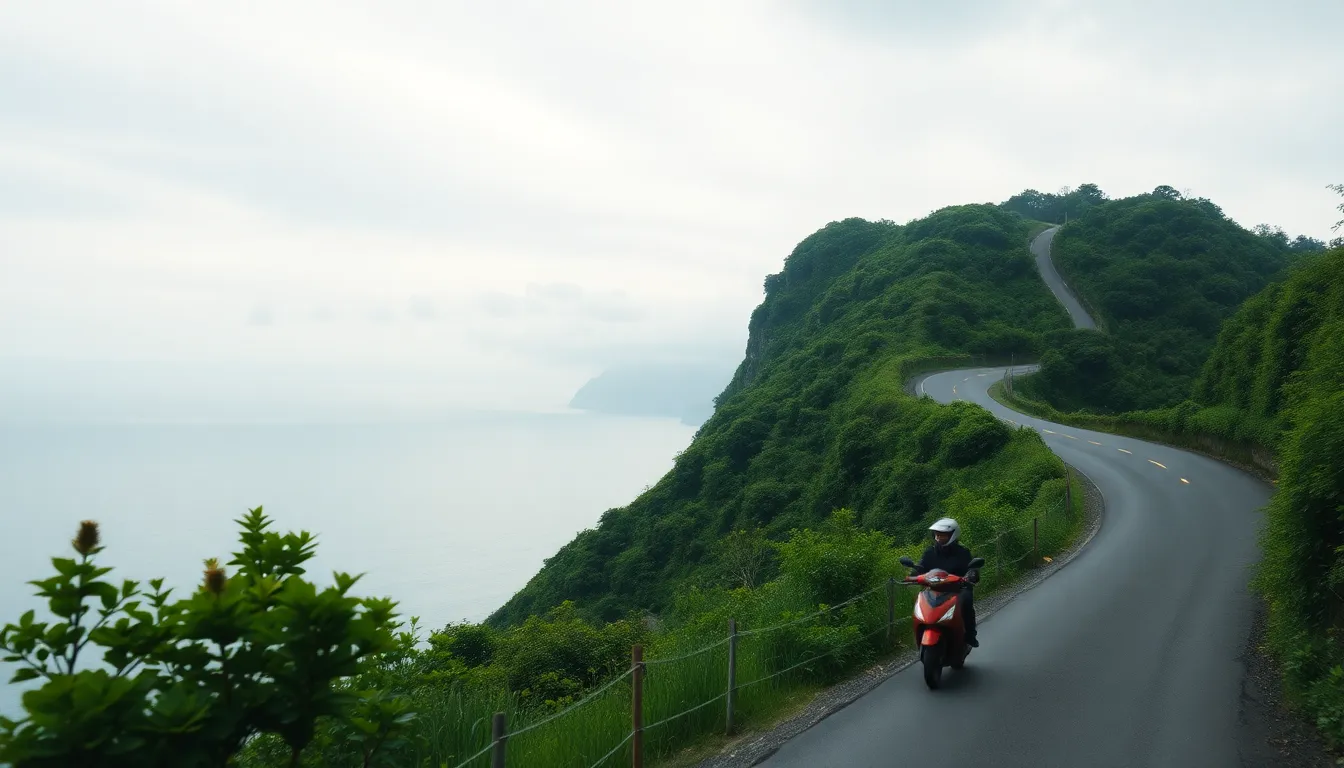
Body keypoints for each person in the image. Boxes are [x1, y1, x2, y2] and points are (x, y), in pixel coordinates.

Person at [912, 517, 979, 647]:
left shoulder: (963, 553)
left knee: (967, 600)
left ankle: (970, 634)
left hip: (958, 589)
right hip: (934, 589)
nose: (939, 537)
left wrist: (972, 574)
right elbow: (921, 566)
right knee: (920, 602)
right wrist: (914, 574)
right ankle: (920, 633)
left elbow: (971, 568)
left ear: (953, 535)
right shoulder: (929, 552)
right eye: (937, 534)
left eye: (943, 535)